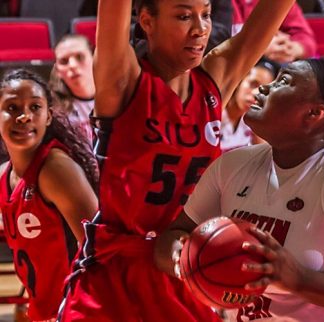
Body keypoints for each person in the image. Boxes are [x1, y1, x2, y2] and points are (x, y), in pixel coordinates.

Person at [59, 0, 297, 321]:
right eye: (184, 16)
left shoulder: (216, 79)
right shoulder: (123, 77)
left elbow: (273, 11)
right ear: (147, 20)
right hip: (116, 277)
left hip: (189, 268)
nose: (200, 28)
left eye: (206, 15)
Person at [155, 56, 324, 321]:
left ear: (314, 113)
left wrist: (299, 280)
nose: (264, 88)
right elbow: (172, 237)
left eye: (283, 82)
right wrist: (184, 259)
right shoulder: (232, 165)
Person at [0, 68, 98, 321]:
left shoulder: (55, 169)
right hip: (44, 310)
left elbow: (101, 250)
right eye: (12, 108)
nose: (24, 116)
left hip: (77, 310)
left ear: (48, 117)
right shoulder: (4, 175)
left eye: (35, 107)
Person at [221, 58, 279, 152]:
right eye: (253, 84)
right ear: (239, 82)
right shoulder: (214, 114)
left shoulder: (252, 120)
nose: (256, 93)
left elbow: (266, 157)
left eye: (264, 90)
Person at [232, 0, 316, 64]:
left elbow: (307, 40)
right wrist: (260, 47)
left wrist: (289, 49)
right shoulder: (222, 4)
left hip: (273, 68)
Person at [50, 34, 95, 144]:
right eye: (64, 61)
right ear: (57, 71)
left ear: (94, 58)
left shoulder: (118, 96)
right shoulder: (53, 112)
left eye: (80, 57)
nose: (73, 65)